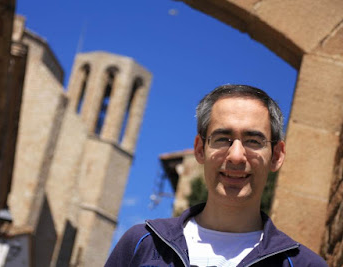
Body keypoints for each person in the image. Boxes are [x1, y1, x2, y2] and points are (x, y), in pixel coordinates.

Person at [105, 85, 327, 267]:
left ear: (277, 156)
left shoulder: (304, 265)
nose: (237, 156)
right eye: (222, 138)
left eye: (253, 141)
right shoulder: (142, 244)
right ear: (200, 149)